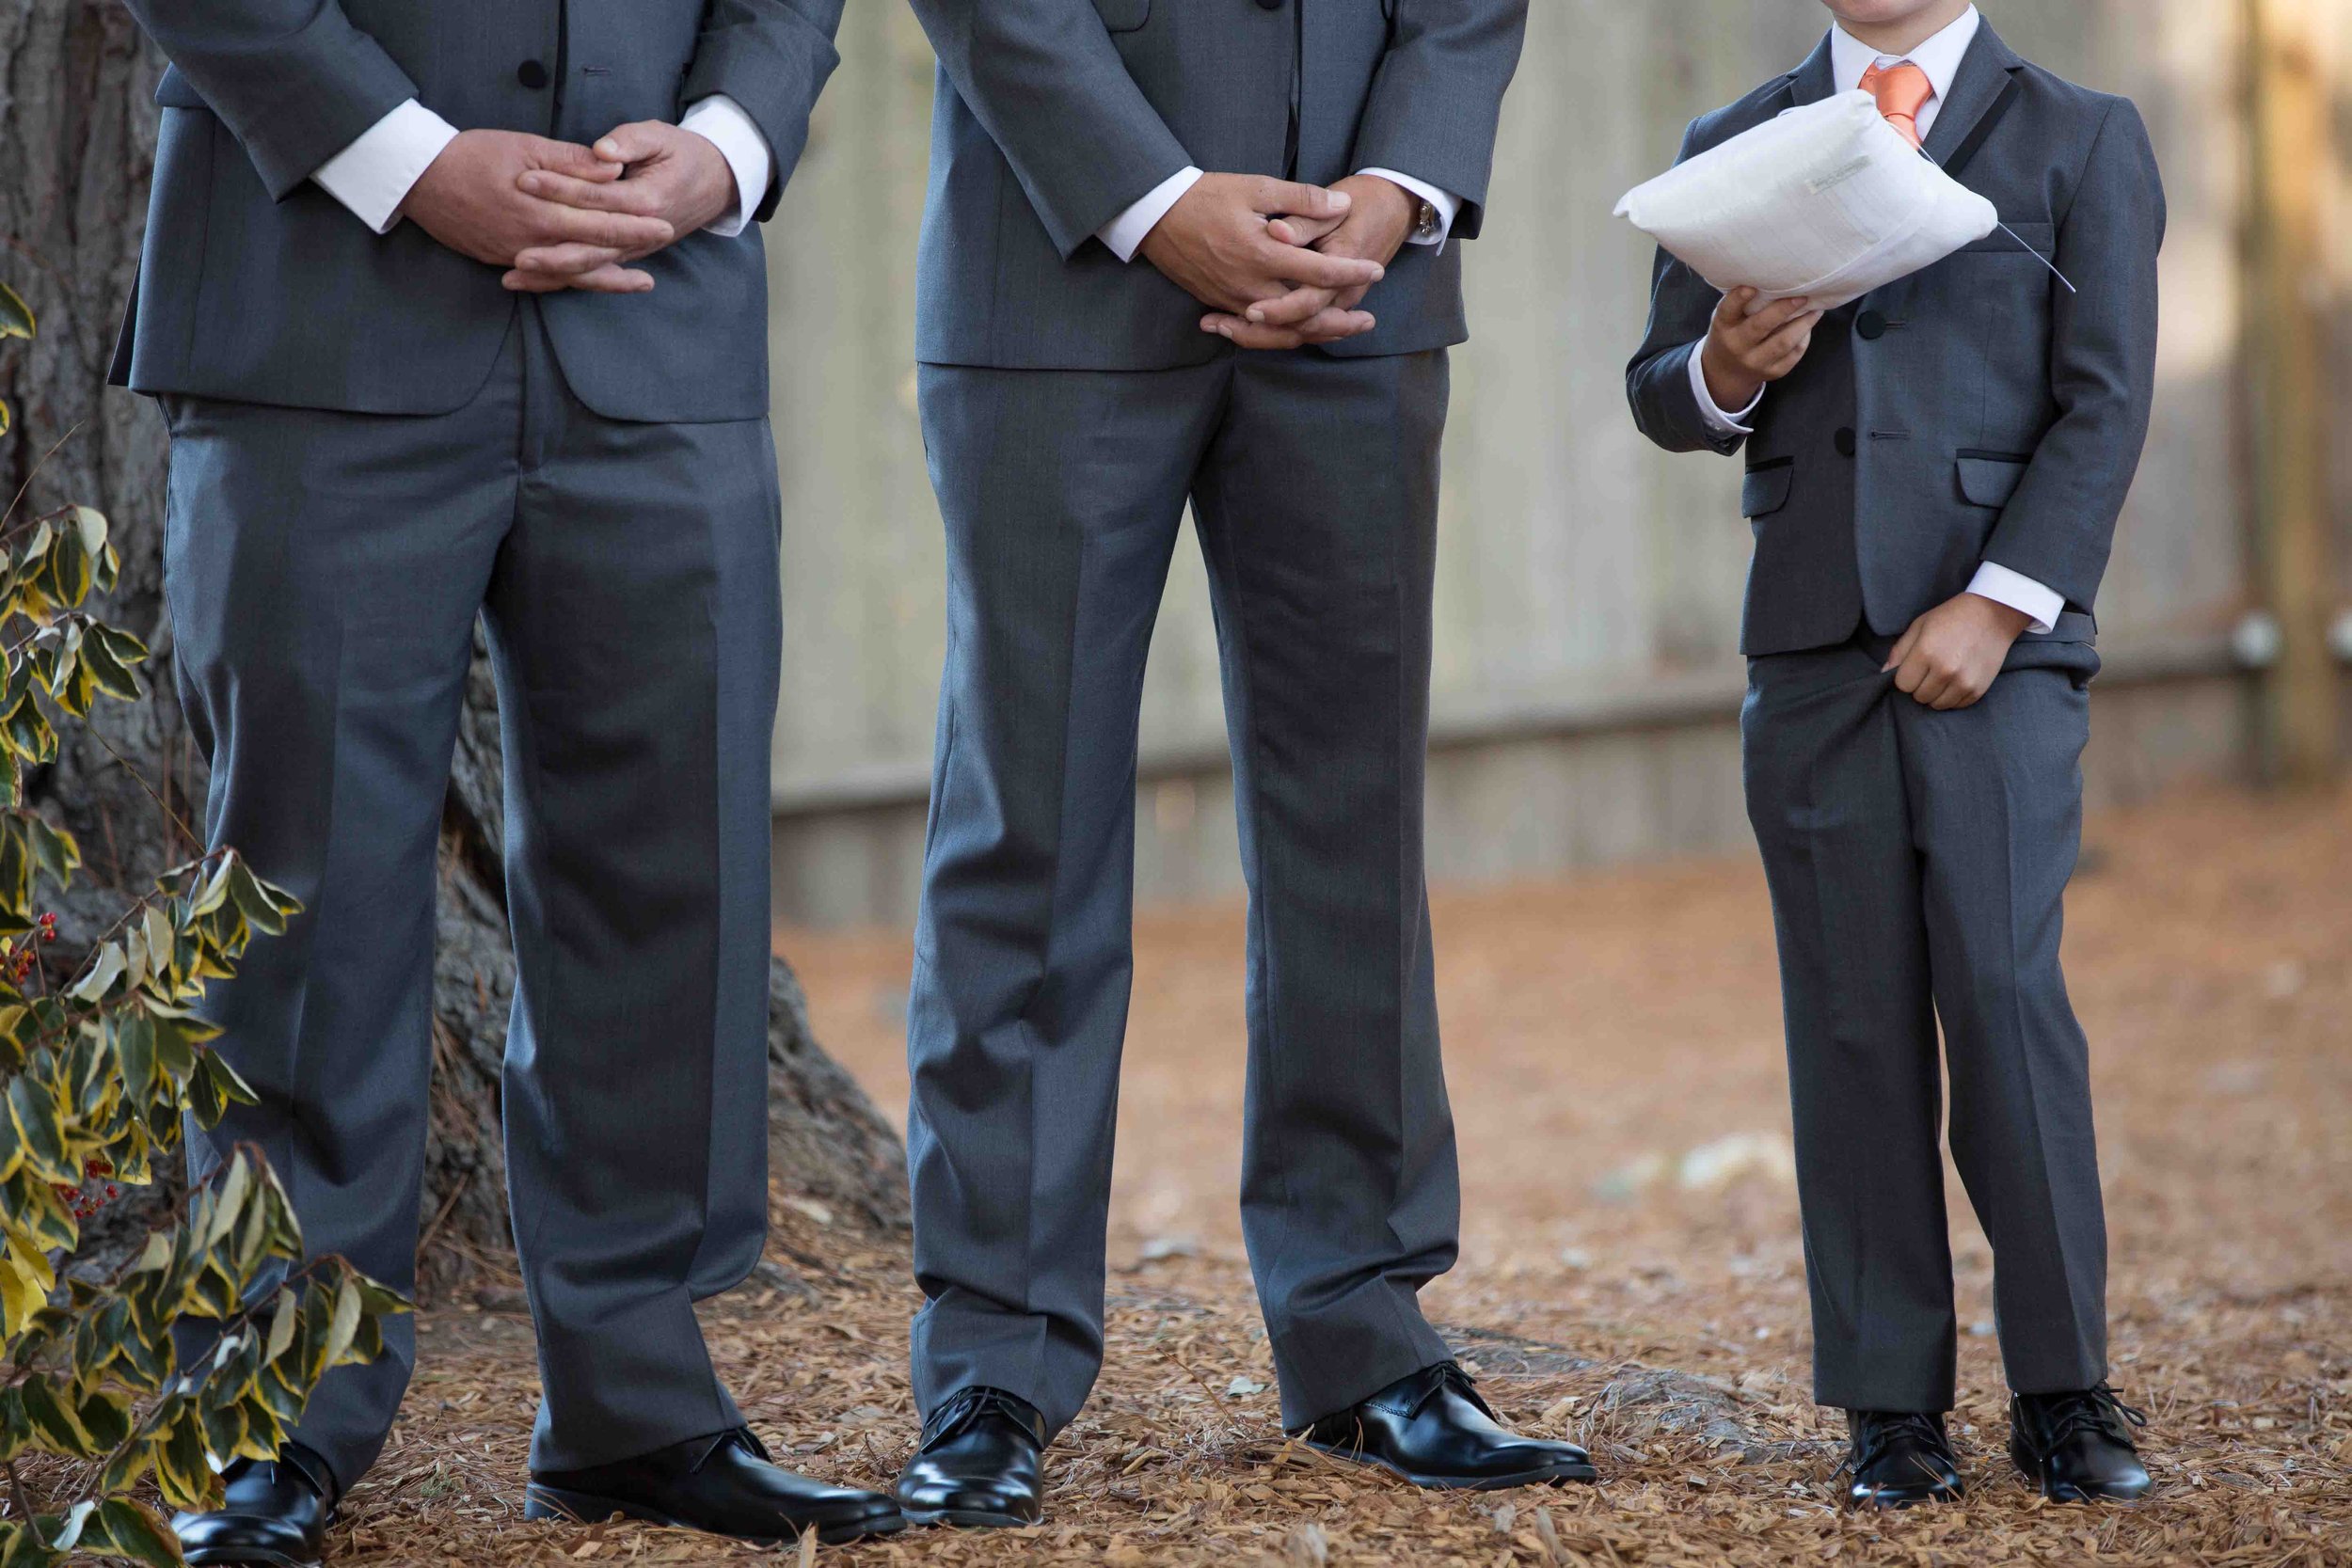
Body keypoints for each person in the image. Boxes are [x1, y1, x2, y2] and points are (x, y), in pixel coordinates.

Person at [109, 2, 903, 1558]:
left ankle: (639, 1401)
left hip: (658, 312)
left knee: (671, 879)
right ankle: (267, 1418)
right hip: (314, 295)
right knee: (299, 895)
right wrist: (408, 162)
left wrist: (728, 147)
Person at [888, 0, 1595, 1532]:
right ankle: (992, 1356)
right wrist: (1156, 199)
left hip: (1362, 293)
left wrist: (1399, 190)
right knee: (1030, 821)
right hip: (1058, 272)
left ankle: (1364, 1330)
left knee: (1351, 824)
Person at [1627, 0, 2162, 1510]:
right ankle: (1886, 1406)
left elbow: (2105, 400)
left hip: (1998, 640)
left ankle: (2065, 1391)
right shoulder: (1731, 144)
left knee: (2002, 996)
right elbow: (1663, 395)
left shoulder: (2083, 135)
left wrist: (1999, 607)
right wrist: (1727, 364)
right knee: (1851, 1021)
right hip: (1809, 648)